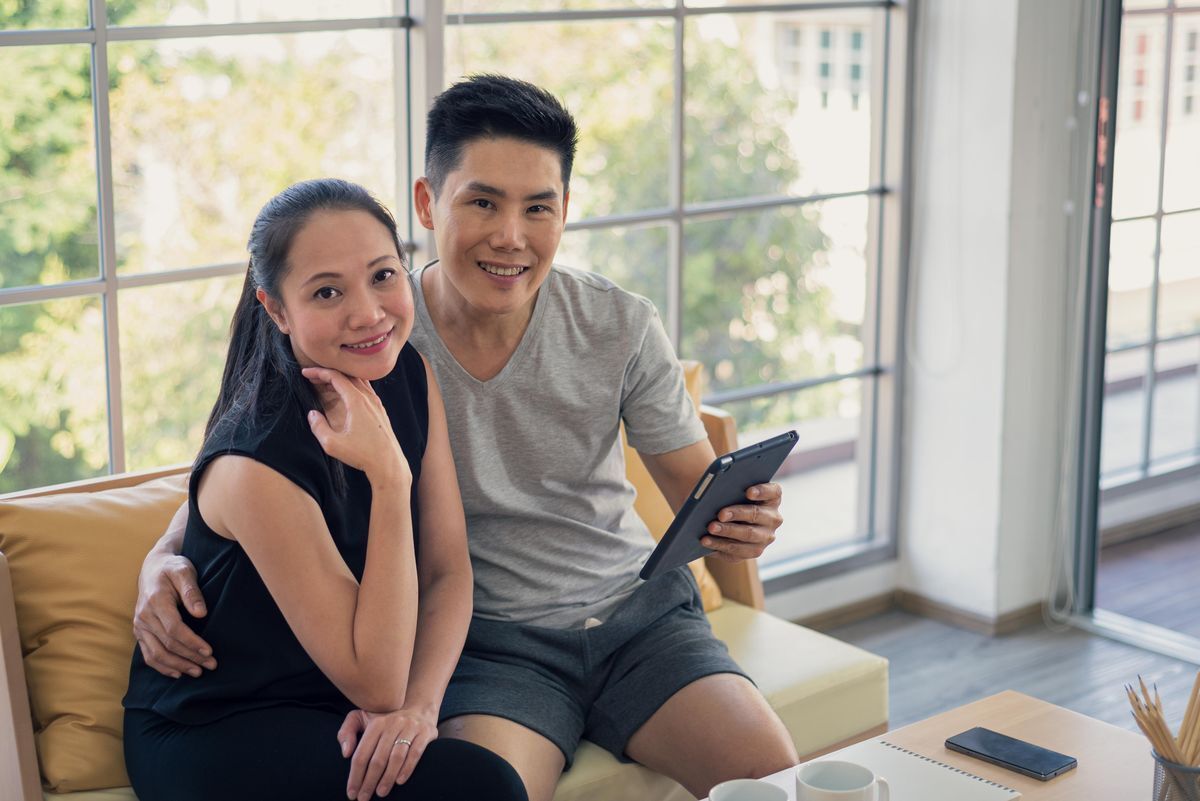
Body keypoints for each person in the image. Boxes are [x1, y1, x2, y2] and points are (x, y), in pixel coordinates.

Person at [134, 76, 798, 801]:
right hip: (488, 649)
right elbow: (250, 461)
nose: (510, 236)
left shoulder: (611, 325)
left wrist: (743, 523)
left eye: (537, 207)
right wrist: (164, 553)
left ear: (564, 210)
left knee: (780, 782)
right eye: (482, 202)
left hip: (642, 623)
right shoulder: (382, 336)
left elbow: (702, 496)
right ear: (428, 203)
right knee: (484, 790)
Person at [121, 178, 527, 801]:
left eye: (383, 275)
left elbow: (448, 571)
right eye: (327, 292)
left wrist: (419, 710)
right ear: (276, 309)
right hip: (223, 722)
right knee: (481, 787)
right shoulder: (256, 460)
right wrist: (389, 478)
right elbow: (377, 684)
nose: (368, 313)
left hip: (340, 693)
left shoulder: (406, 372)